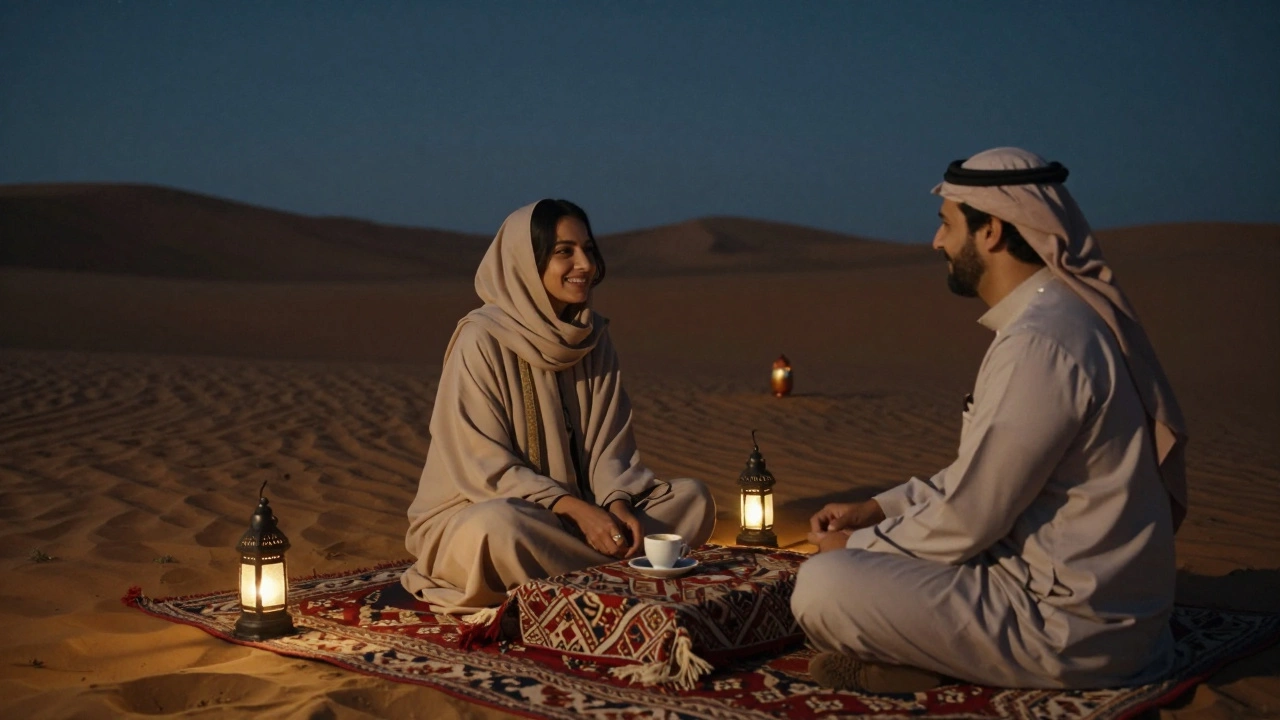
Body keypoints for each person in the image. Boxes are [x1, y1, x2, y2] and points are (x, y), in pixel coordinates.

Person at [790, 147, 1189, 693]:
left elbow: (972, 516)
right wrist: (878, 508)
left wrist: (856, 548)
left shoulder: (1042, 343)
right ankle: (924, 663)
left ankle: (944, 665)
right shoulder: (1059, 321)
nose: (937, 243)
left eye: (947, 225)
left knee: (822, 586)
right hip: (1086, 601)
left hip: (1071, 628)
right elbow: (986, 476)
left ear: (992, 232)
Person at [402, 199, 716, 615]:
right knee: (498, 529)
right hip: (491, 513)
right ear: (525, 262)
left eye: (587, 249)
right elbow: (485, 466)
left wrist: (617, 506)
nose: (584, 264)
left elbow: (611, 446)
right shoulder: (480, 339)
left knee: (693, 498)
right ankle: (612, 573)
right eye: (563, 252)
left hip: (579, 516)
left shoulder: (593, 338)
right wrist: (575, 511)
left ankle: (580, 577)